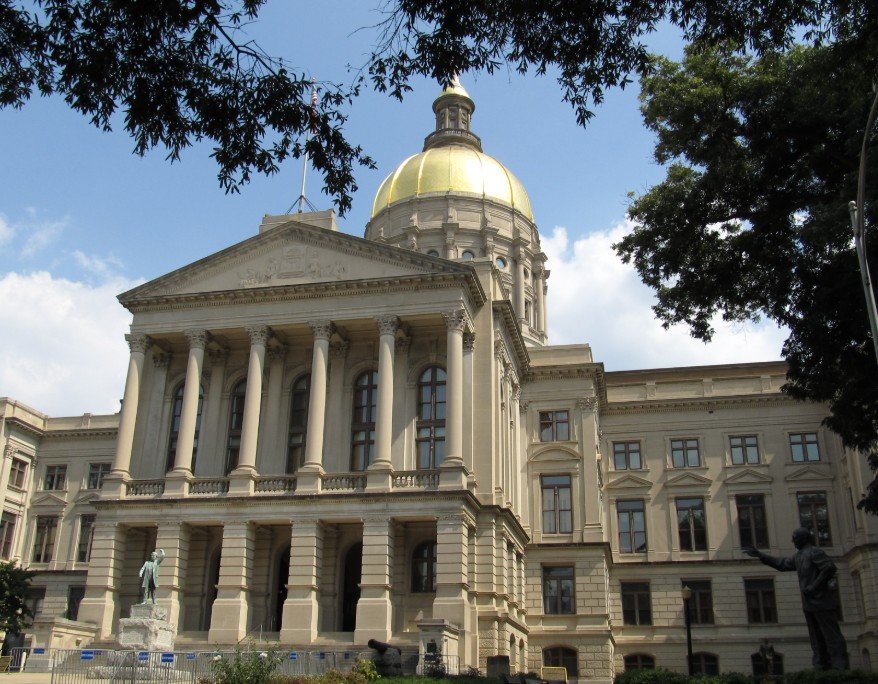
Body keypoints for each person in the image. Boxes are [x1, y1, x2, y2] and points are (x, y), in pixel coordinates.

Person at [744, 528, 848, 670]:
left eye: (795, 538)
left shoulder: (815, 552)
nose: (793, 541)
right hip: (809, 603)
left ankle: (839, 665)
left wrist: (814, 587)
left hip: (822, 601)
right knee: (816, 637)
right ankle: (820, 664)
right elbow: (782, 564)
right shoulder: (799, 556)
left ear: (804, 538)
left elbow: (829, 568)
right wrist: (760, 555)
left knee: (831, 635)